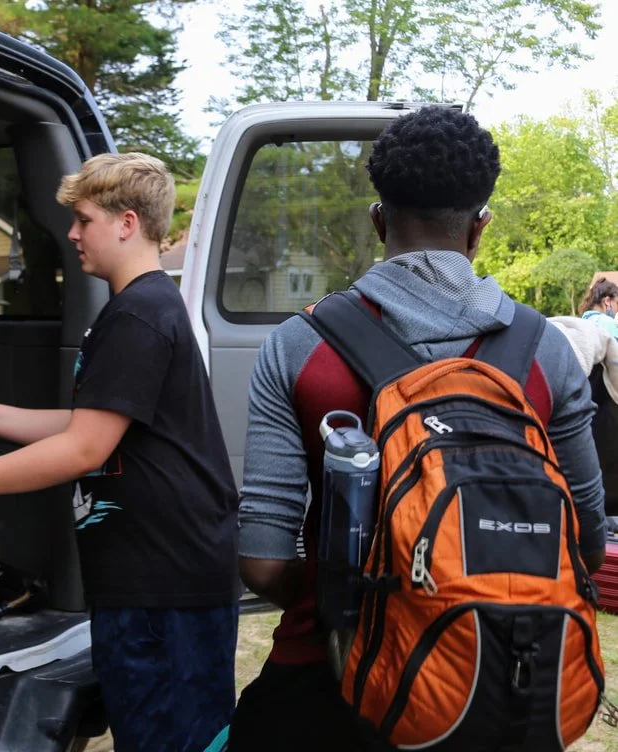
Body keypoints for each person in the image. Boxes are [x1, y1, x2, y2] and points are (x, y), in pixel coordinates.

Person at [228, 106, 609, 751]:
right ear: (480, 228)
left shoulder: (300, 346)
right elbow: (587, 546)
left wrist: (373, 594)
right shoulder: (546, 352)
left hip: (331, 674)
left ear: (378, 219)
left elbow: (264, 564)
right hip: (499, 680)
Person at [0, 153, 241, 752]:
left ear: (126, 222)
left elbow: (83, 449)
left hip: (167, 586)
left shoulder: (141, 315)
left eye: (84, 219)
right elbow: (92, 422)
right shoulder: (135, 309)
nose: (71, 233)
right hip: (152, 583)